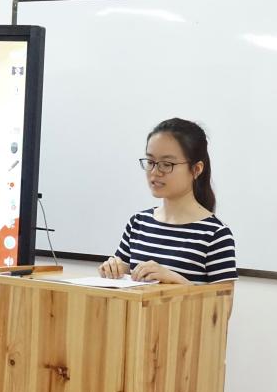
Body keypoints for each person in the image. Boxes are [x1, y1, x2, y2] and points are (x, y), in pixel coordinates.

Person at [98, 118, 237, 284]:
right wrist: (113, 269)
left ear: (196, 169)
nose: (155, 172)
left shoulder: (216, 234)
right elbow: (123, 279)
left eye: (166, 164)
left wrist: (175, 280)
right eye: (151, 162)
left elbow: (222, 301)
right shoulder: (138, 223)